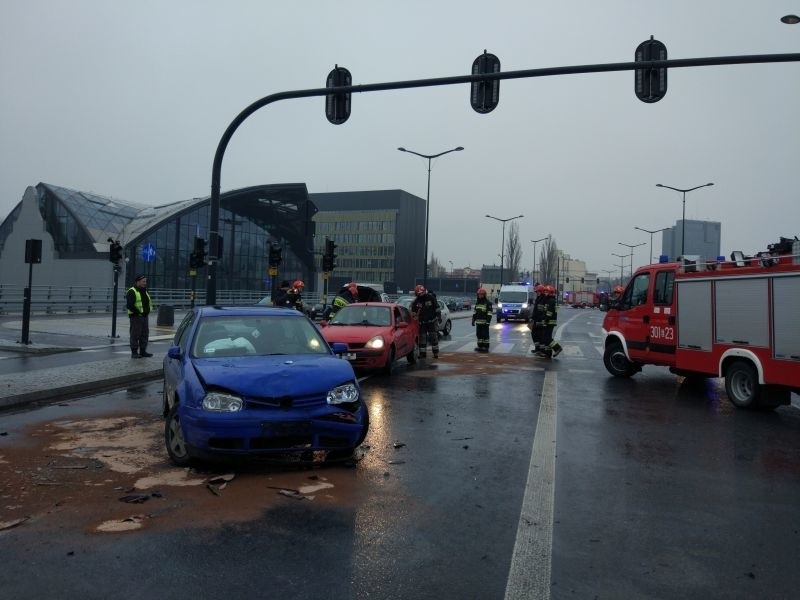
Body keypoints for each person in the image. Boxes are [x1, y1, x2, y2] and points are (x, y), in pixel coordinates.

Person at [410, 284, 441, 359]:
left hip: (431, 321)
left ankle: (435, 353)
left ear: (424, 291)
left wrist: (438, 317)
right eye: (418, 294)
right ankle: (422, 354)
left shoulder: (431, 298)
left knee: (433, 337)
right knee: (422, 338)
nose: (420, 295)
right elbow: (413, 311)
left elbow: (437, 308)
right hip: (422, 323)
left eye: (420, 293)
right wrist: (414, 314)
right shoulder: (416, 301)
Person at [126, 274, 153, 358]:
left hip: (144, 316)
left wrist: (146, 312)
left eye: (145, 281)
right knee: (135, 334)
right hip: (136, 316)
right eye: (143, 281)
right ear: (138, 282)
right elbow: (130, 305)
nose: (145, 283)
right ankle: (134, 352)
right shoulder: (132, 291)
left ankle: (142, 351)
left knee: (144, 334)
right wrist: (139, 312)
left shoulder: (144, 290)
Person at [535, 285, 563, 359]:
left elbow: (549, 313)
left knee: (547, 339)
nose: (545, 293)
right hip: (549, 322)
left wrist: (545, 320)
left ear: (551, 292)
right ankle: (548, 353)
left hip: (549, 322)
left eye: (547, 292)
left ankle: (557, 348)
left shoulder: (551, 301)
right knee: (546, 338)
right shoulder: (549, 300)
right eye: (545, 292)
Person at [471, 287, 492, 352]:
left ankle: (486, 347)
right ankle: (480, 346)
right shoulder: (477, 303)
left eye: (481, 294)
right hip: (478, 323)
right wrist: (473, 320)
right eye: (479, 294)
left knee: (485, 335)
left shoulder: (488, 303)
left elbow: (489, 313)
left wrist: (488, 322)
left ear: (484, 295)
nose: (480, 295)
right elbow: (475, 312)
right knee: (479, 335)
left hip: (485, 323)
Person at [529, 284, 547, 354]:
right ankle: (537, 348)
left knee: (540, 335)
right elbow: (535, 310)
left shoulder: (543, 299)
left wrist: (541, 319)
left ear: (541, 291)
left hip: (540, 320)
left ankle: (541, 350)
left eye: (538, 291)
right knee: (533, 333)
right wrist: (532, 317)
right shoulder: (538, 298)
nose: (537, 293)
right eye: (536, 292)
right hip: (535, 319)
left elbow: (542, 311)